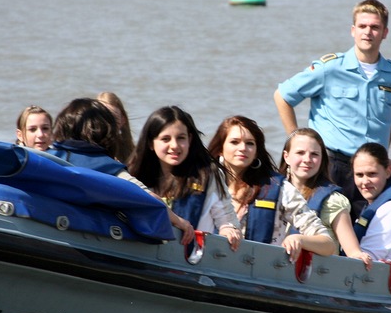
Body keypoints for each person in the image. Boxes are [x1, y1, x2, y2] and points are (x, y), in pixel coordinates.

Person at [274, 0, 391, 216]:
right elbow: (282, 96)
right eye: (363, 26)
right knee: (320, 228)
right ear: (353, 31)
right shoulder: (329, 68)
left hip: (370, 170)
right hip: (332, 166)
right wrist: (297, 139)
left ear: (385, 32)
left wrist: (381, 152)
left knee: (365, 232)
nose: (368, 32)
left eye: (375, 27)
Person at [50, 98, 194, 244]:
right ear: (106, 134)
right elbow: (151, 199)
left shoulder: (46, 157)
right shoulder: (110, 168)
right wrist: (179, 221)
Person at [207, 116, 336, 258]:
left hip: (256, 268)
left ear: (257, 151)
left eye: (250, 143)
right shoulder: (204, 183)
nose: (243, 148)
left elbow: (327, 245)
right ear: (220, 148)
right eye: (234, 142)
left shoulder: (280, 189)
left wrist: (299, 239)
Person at [128, 106, 241, 249]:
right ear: (151, 143)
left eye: (181, 138)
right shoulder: (133, 176)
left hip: (192, 259)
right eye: (165, 139)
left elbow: (227, 220)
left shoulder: (208, 175)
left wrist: (229, 230)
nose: (174, 146)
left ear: (190, 139)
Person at [278, 127, 368, 265]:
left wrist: (360, 256)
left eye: (314, 154)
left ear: (322, 160)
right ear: (286, 156)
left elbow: (353, 251)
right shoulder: (271, 193)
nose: (307, 159)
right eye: (300, 153)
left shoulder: (333, 201)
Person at [96, 91, 135, 163]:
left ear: (123, 120)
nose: (108, 124)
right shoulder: (85, 149)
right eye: (102, 118)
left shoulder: (134, 155)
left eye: (114, 119)